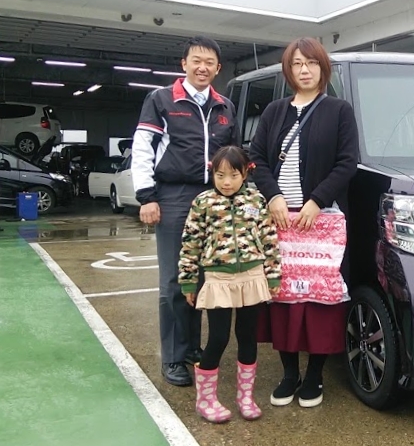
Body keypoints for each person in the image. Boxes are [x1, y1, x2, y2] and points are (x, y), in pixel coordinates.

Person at [249, 37, 358, 408]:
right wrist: (273, 196)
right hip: (281, 219)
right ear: (288, 70)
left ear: (322, 67)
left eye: (311, 63)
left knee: (319, 298)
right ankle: (289, 374)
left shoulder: (339, 110)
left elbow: (347, 162)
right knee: (284, 297)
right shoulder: (274, 111)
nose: (304, 70)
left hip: (321, 220)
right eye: (297, 64)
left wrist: (318, 199)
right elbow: (256, 159)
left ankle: (314, 376)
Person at [132, 35, 239, 387]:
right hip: (173, 195)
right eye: (196, 60)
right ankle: (174, 357)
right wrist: (147, 196)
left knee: (204, 277)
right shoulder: (162, 100)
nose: (202, 67)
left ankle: (192, 347)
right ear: (184, 64)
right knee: (175, 280)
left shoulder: (224, 106)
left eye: (209, 62)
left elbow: (234, 155)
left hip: (213, 196)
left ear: (218, 68)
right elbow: (143, 148)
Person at [178, 145, 280, 423]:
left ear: (245, 173)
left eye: (233, 175)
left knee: (248, 337)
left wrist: (273, 275)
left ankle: (245, 397)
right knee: (219, 338)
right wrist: (188, 281)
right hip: (218, 279)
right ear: (212, 173)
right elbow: (190, 244)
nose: (226, 182)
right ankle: (205, 400)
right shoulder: (203, 202)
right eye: (220, 175)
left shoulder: (256, 200)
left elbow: (269, 239)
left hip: (252, 277)